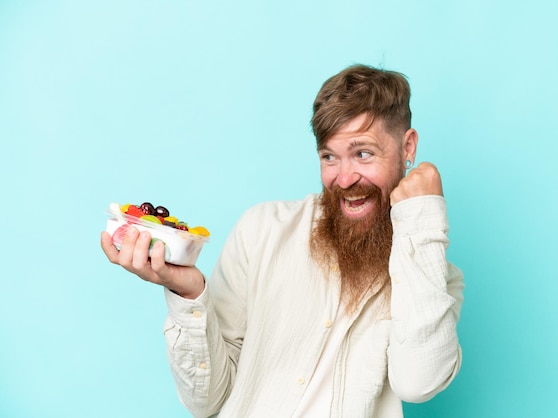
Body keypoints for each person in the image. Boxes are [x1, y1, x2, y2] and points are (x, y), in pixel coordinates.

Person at [101, 64, 464, 418]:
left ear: (408, 146)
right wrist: (190, 294)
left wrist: (422, 217)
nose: (344, 178)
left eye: (363, 153)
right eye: (329, 157)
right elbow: (206, 401)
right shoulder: (261, 230)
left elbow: (418, 383)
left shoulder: (435, 275)